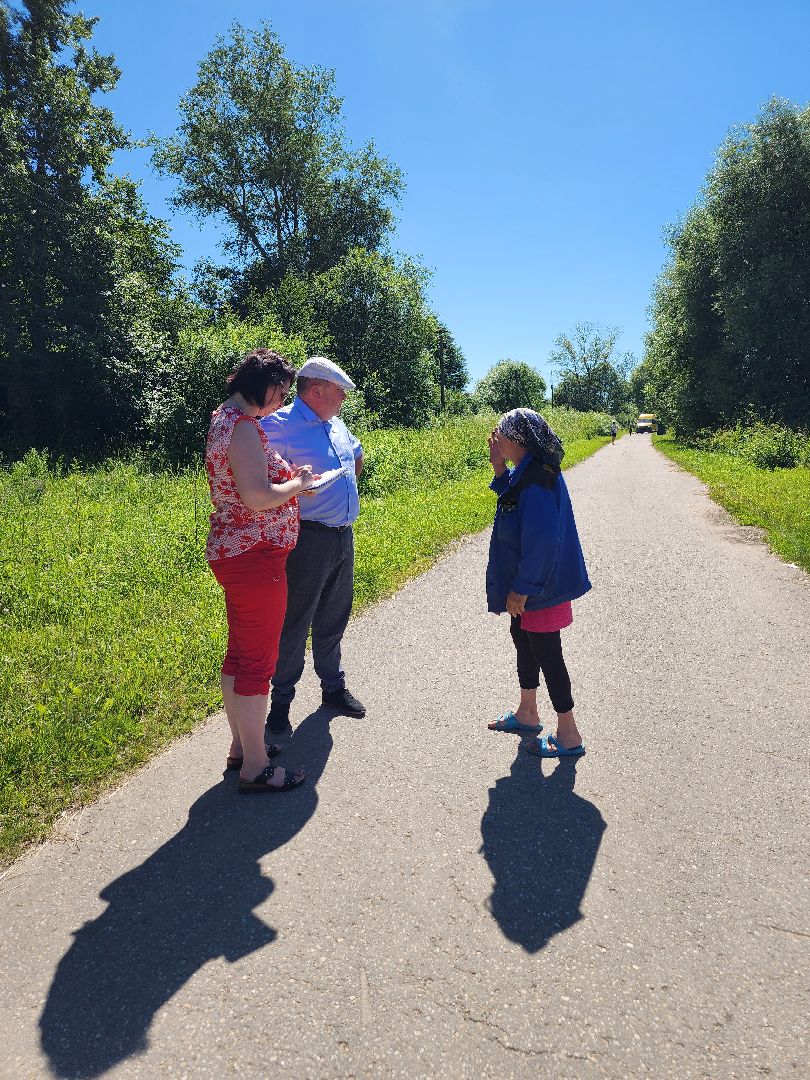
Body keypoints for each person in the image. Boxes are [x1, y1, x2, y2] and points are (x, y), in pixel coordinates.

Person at [205, 349, 316, 793]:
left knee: (239, 655)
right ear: (264, 385)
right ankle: (255, 766)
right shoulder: (243, 427)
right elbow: (255, 495)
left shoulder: (222, 419)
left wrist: (287, 481)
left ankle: (241, 747)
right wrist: (298, 485)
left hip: (235, 551)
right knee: (256, 664)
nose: (282, 400)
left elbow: (245, 485)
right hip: (256, 555)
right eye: (282, 392)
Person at [261, 356, 366, 740]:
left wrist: (341, 487)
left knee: (334, 616)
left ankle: (332, 688)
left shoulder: (334, 423)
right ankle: (281, 703)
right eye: (340, 392)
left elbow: (355, 454)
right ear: (317, 390)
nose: (343, 400)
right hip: (306, 538)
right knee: (296, 621)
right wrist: (299, 487)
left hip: (342, 535)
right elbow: (261, 475)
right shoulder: (279, 424)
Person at [485, 408, 591, 758]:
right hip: (530, 583)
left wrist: (522, 587)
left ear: (516, 439)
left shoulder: (539, 478)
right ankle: (527, 713)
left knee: (548, 654)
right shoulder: (527, 470)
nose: (494, 437)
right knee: (524, 642)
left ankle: (569, 733)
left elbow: (543, 539)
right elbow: (515, 500)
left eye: (499, 432)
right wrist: (499, 469)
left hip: (540, 587)